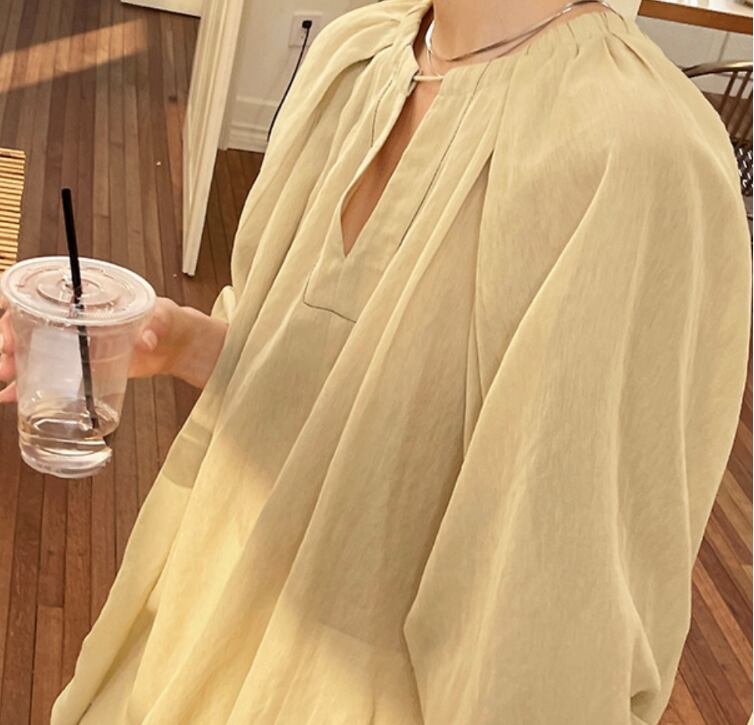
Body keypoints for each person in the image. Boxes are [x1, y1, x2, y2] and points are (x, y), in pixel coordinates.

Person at [0, 0, 751, 722]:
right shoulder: (358, 57)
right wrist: (186, 342)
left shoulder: (638, 157)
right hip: (204, 610)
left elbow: (553, 611)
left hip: (359, 688)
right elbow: (329, 379)